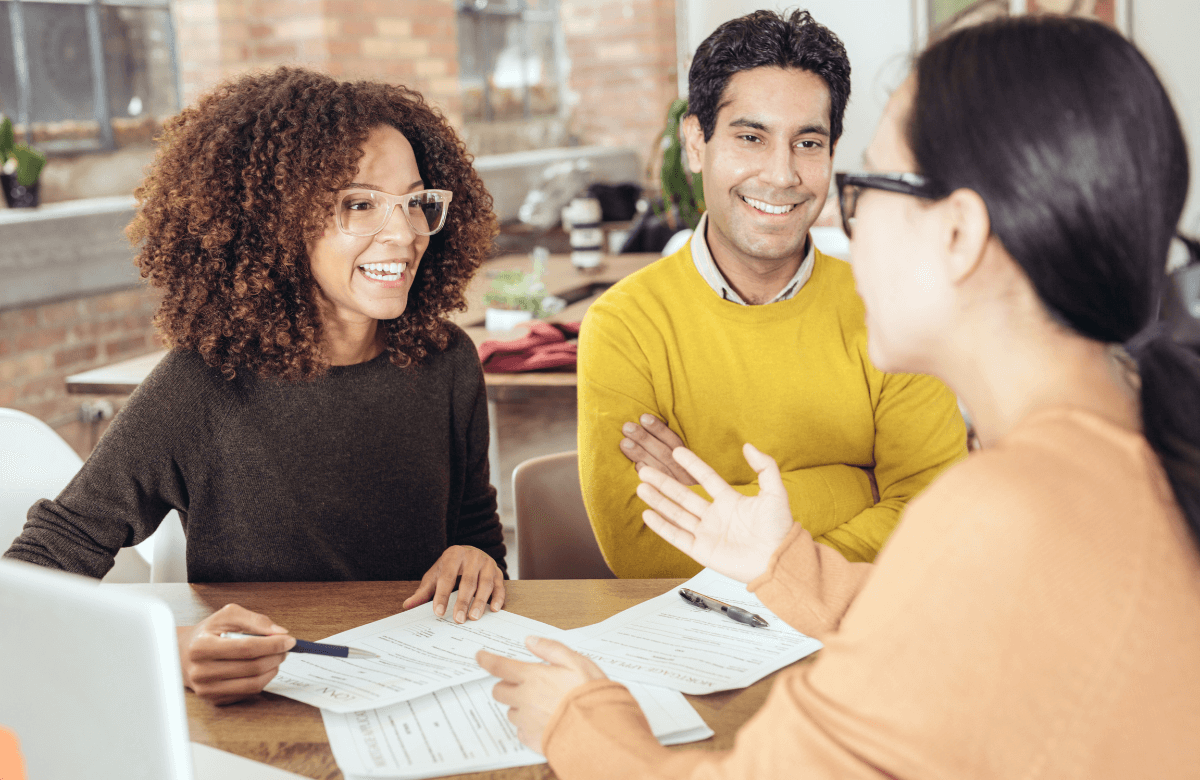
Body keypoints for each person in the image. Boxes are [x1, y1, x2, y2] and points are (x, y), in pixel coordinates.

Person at [479, 15, 1200, 777]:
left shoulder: (1001, 510)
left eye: (864, 184)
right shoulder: (1118, 442)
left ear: (958, 233)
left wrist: (579, 719)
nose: (817, 202)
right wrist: (783, 559)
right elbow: (939, 626)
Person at [3, 67, 507, 704]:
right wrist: (169, 652)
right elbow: (36, 573)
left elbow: (475, 529)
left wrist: (475, 557)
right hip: (265, 701)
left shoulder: (447, 360)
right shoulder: (201, 386)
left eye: (415, 201)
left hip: (424, 688)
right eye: (358, 203)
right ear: (275, 224)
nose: (404, 233)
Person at [577, 9, 967, 578]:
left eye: (807, 142)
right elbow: (641, 549)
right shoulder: (626, 325)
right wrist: (855, 485)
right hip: (693, 645)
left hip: (858, 637)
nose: (782, 174)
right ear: (695, 142)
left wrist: (723, 512)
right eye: (751, 137)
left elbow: (932, 513)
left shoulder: (890, 306)